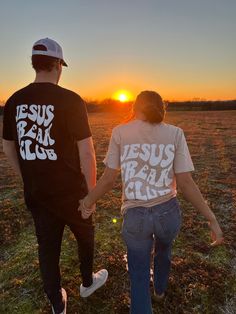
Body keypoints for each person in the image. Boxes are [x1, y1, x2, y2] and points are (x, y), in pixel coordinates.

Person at [79, 91, 224, 314]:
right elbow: (185, 183)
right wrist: (211, 219)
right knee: (164, 251)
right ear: (161, 109)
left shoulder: (120, 132)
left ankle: (149, 296)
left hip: (135, 216)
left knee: (138, 277)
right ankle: (160, 290)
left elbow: (109, 179)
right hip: (168, 214)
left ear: (135, 107)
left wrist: (87, 202)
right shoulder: (175, 133)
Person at [2, 38, 108, 314]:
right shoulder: (71, 100)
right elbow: (87, 153)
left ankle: (56, 302)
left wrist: (26, 177)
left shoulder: (14, 100)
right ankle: (87, 283)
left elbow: (8, 146)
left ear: (34, 64)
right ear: (58, 65)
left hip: (38, 193)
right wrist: (91, 194)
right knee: (85, 236)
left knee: (47, 247)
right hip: (73, 193)